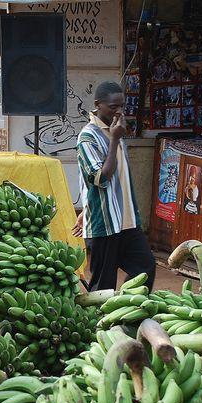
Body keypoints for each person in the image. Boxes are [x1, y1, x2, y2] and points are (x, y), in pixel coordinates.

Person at [76, 81, 156, 291]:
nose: (119, 112)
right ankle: (98, 322)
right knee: (103, 285)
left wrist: (115, 136)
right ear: (98, 105)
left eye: (122, 106)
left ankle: (126, 310)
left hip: (128, 221)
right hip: (104, 224)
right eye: (113, 107)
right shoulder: (87, 137)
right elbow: (100, 179)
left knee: (145, 267)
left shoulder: (116, 129)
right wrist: (113, 140)